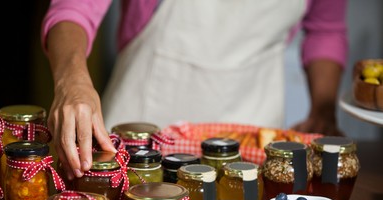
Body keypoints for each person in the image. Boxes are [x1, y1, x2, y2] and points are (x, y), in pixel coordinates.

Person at [41, 0, 348, 180]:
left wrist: (323, 108)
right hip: (143, 126)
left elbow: (326, 28)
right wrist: (72, 80)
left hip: (255, 128)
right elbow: (74, 7)